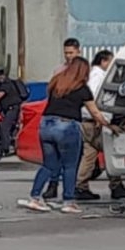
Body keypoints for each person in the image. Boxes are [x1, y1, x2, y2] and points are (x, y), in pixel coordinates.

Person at [21, 57, 111, 214]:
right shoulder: (82, 88)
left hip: (46, 124)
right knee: (70, 165)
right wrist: (107, 124)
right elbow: (94, 111)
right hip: (67, 126)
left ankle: (35, 197)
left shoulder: (57, 82)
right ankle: (68, 201)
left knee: (49, 164)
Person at [75, 50, 125, 201]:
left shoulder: (92, 75)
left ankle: (80, 186)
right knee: (113, 151)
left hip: (87, 121)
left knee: (89, 155)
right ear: (103, 61)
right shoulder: (98, 76)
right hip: (97, 121)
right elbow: (94, 97)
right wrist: (102, 120)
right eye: (110, 62)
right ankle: (116, 186)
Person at [44, 37, 83, 200]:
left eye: (71, 53)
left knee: (74, 158)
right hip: (59, 118)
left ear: (78, 51)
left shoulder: (82, 70)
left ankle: (73, 189)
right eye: (66, 53)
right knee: (55, 158)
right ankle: (53, 185)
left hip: (75, 118)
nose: (69, 56)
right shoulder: (59, 70)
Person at [0, 67, 28, 157]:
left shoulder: (6, 84)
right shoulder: (8, 83)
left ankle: (5, 148)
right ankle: (12, 144)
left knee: (4, 127)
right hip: (12, 108)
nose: (0, 77)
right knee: (11, 128)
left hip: (12, 108)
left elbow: (0, 95)